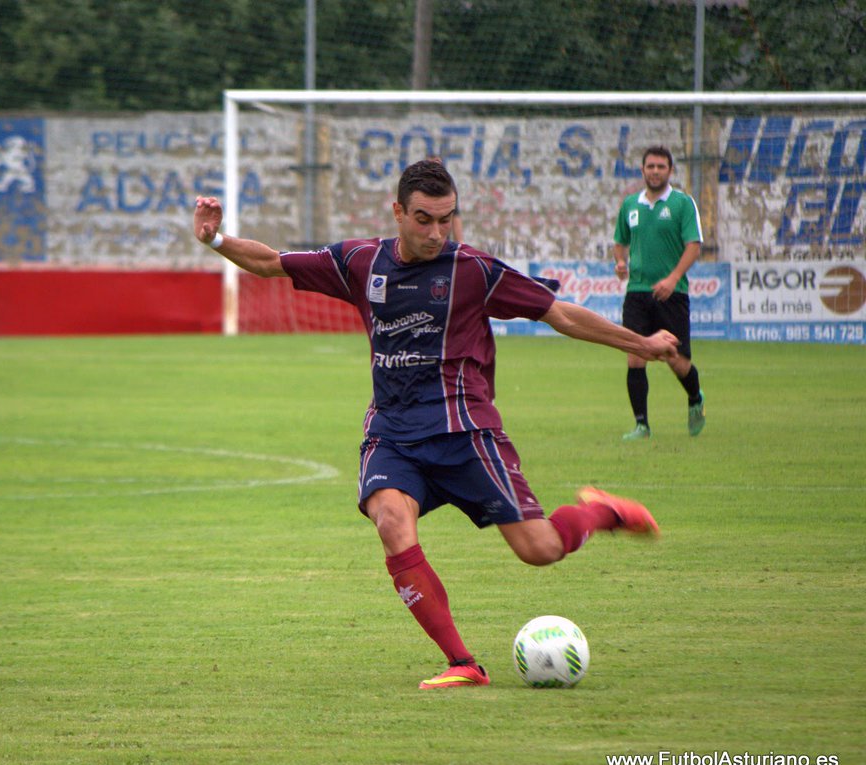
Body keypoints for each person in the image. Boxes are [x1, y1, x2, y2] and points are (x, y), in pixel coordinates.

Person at [193, 159, 678, 690]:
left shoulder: (473, 270)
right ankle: (463, 663)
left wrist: (644, 345)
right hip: (393, 433)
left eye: (446, 220)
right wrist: (217, 239)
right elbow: (272, 263)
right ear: (398, 212)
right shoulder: (361, 261)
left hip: (465, 432)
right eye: (424, 219)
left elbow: (559, 313)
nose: (436, 233)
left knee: (540, 550)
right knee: (390, 522)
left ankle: (600, 513)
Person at [613, 145, 705, 440]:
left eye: (660, 167)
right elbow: (620, 240)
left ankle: (695, 399)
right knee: (635, 355)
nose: (655, 171)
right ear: (642, 170)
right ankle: (642, 425)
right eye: (650, 166)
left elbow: (694, 245)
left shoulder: (681, 204)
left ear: (670, 171)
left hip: (673, 294)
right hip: (637, 293)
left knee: (676, 360)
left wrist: (673, 277)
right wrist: (619, 261)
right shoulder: (630, 205)